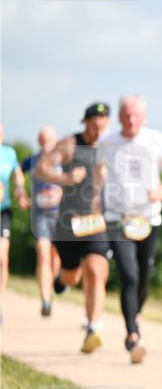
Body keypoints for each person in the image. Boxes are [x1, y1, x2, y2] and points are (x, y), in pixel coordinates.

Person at [90, 95, 162, 364]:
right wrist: (96, 199)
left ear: (144, 117)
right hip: (118, 219)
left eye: (136, 116)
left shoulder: (156, 140)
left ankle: (134, 314)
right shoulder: (108, 142)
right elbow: (99, 172)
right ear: (119, 117)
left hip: (148, 219)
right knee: (129, 274)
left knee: (143, 279)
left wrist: (160, 193)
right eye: (127, 116)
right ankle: (133, 335)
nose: (131, 121)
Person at [37, 102, 113, 352]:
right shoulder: (70, 144)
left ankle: (93, 326)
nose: (98, 132)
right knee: (73, 275)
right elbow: (41, 169)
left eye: (102, 127)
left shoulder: (110, 146)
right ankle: (62, 279)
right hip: (69, 223)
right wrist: (65, 178)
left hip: (96, 221)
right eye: (94, 127)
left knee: (96, 270)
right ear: (85, 123)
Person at [21, 126, 65, 317]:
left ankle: (53, 283)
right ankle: (45, 299)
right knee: (43, 255)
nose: (45, 144)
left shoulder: (63, 160)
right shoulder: (32, 160)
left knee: (56, 257)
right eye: (42, 140)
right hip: (39, 215)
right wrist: (21, 193)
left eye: (48, 140)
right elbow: (17, 172)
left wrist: (63, 192)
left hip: (60, 215)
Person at [0, 124, 31, 324]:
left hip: (3, 212)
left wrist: (20, 192)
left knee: (2, 258)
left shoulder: (9, 153)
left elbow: (18, 176)